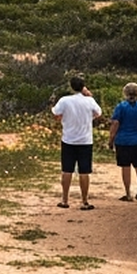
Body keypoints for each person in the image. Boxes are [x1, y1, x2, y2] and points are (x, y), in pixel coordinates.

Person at [50, 76, 100, 209]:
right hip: (85, 140)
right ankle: (84, 201)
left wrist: (62, 119)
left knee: (67, 170)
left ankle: (65, 199)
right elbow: (98, 113)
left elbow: (55, 113)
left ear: (71, 86)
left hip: (68, 139)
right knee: (84, 171)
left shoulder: (65, 100)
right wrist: (89, 95)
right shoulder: (89, 101)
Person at [110, 82, 137, 201]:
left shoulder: (121, 107)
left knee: (125, 167)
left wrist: (111, 140)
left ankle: (128, 193)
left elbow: (115, 123)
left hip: (123, 141)